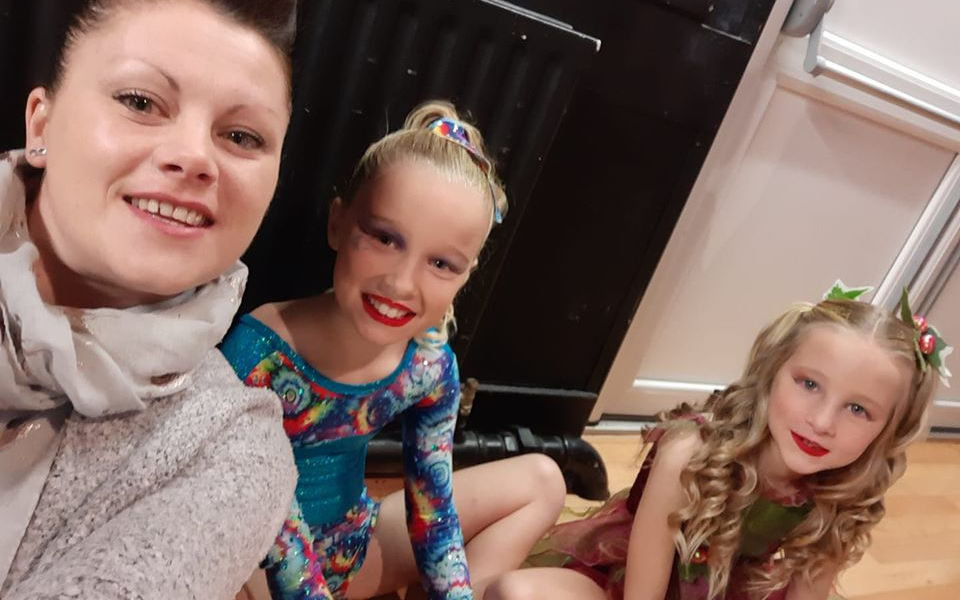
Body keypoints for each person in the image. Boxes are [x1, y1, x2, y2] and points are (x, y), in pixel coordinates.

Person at [0, 1, 299, 598]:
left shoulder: (228, 453)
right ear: (41, 125)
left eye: (241, 136)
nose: (193, 157)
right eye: (140, 102)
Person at [220, 100, 567, 600]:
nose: (401, 283)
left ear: (466, 275)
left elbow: (433, 507)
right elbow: (270, 522)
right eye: (385, 238)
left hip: (352, 551)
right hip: (251, 562)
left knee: (543, 480)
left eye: (441, 264)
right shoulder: (260, 353)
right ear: (338, 223)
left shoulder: (428, 366)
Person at [505, 282, 949, 600]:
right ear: (772, 371)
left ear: (890, 431)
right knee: (516, 592)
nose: (821, 422)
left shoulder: (846, 497)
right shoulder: (688, 453)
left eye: (858, 409)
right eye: (809, 384)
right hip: (628, 579)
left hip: (731, 590)